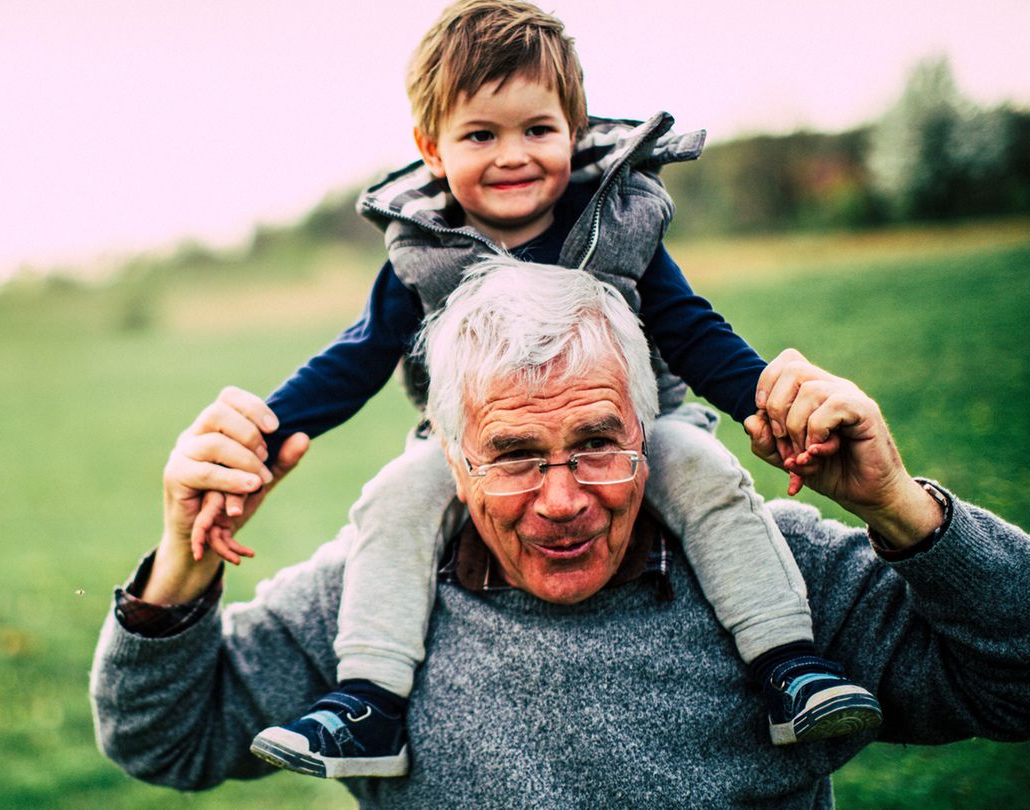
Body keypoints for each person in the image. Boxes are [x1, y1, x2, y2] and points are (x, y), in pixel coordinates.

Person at [190, 0, 874, 779]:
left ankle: (788, 664)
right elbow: (358, 357)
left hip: (632, 427)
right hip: (482, 448)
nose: (512, 155)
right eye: (480, 135)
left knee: (709, 476)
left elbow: (690, 330)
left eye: (537, 130)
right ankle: (368, 703)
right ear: (431, 148)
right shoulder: (421, 249)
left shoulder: (616, 220)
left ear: (574, 130)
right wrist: (265, 433)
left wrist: (771, 407)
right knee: (392, 501)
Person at [90, 260, 1030, 806]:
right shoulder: (376, 595)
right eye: (512, 457)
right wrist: (181, 559)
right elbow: (164, 738)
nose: (564, 500)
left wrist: (899, 507)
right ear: (450, 462)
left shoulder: (779, 573)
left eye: (597, 444)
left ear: (651, 432)